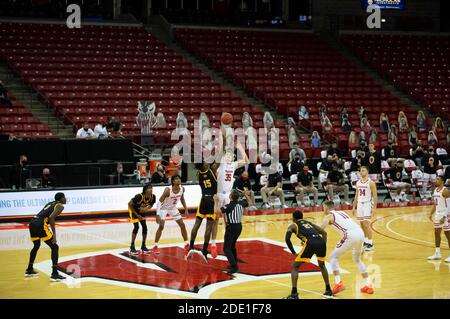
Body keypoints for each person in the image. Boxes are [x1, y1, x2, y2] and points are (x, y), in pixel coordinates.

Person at [321, 200, 374, 295]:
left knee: (333, 257)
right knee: (357, 260)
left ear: (326, 207)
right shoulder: (342, 212)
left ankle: (338, 283)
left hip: (350, 235)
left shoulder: (329, 216)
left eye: (323, 207)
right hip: (360, 233)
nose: (322, 209)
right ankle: (368, 284)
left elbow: (320, 229)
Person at [283, 211, 333, 299]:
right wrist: (322, 244)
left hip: (310, 243)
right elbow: (324, 233)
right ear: (302, 217)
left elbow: (287, 239)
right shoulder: (309, 223)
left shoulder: (293, 225)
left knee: (295, 266)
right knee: (322, 265)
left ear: (293, 218)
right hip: (321, 242)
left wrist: (294, 253)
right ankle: (328, 290)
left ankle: (294, 294)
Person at [214, 144, 249, 257]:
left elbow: (246, 160)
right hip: (219, 194)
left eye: (231, 155)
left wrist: (240, 147)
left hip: (228, 195)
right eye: (227, 154)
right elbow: (219, 152)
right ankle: (213, 244)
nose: (229, 156)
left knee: (227, 222)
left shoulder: (233, 165)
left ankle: (227, 245)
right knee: (215, 218)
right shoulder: (222, 164)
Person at [25, 192, 66, 281]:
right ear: (61, 199)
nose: (65, 199)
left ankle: (29, 269)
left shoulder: (50, 203)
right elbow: (51, 218)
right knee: (55, 247)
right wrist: (54, 235)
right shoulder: (60, 206)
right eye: (64, 197)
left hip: (32, 222)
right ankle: (54, 274)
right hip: (40, 224)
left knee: (36, 246)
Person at [214, 189, 252, 274]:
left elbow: (216, 211)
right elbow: (250, 203)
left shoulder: (229, 206)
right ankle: (234, 262)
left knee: (226, 248)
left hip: (231, 227)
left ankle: (234, 267)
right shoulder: (241, 203)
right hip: (239, 227)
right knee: (232, 246)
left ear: (230, 197)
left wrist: (216, 201)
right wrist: (246, 195)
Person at [189, 162, 218, 260]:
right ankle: (204, 251)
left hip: (203, 200)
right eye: (205, 162)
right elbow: (218, 159)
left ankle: (191, 246)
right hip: (211, 200)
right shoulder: (212, 169)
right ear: (204, 165)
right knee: (209, 227)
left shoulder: (199, 174)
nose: (206, 162)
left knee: (196, 224)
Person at [153, 175, 189, 254]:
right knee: (161, 226)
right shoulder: (167, 190)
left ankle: (186, 243)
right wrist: (157, 214)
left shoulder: (182, 189)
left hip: (173, 208)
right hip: (164, 208)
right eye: (176, 179)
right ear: (173, 181)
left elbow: (182, 198)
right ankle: (155, 245)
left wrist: (186, 209)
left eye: (179, 178)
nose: (178, 180)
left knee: (182, 224)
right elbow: (159, 202)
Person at [353, 166, 378, 251]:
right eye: (360, 171)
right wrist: (354, 207)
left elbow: (375, 196)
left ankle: (371, 243)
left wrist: (374, 208)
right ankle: (366, 241)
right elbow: (356, 195)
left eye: (363, 170)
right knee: (362, 225)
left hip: (367, 204)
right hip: (360, 204)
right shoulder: (358, 182)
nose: (361, 172)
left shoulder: (371, 183)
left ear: (367, 171)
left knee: (367, 225)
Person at [427, 176, 450, 262]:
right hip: (438, 214)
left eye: (438, 179)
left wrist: (444, 217)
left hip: (445, 214)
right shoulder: (435, 190)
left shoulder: (445, 191)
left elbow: (449, 206)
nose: (435, 180)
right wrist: (431, 213)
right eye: (436, 179)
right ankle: (437, 253)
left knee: (448, 234)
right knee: (436, 233)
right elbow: (435, 203)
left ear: (442, 181)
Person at [128, 184, 156, 254]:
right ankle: (132, 246)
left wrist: (147, 208)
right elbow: (130, 204)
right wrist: (137, 215)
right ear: (145, 190)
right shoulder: (139, 196)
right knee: (136, 227)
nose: (151, 189)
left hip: (141, 210)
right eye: (149, 188)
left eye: (151, 188)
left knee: (144, 227)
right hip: (133, 210)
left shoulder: (153, 197)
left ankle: (143, 246)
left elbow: (151, 204)